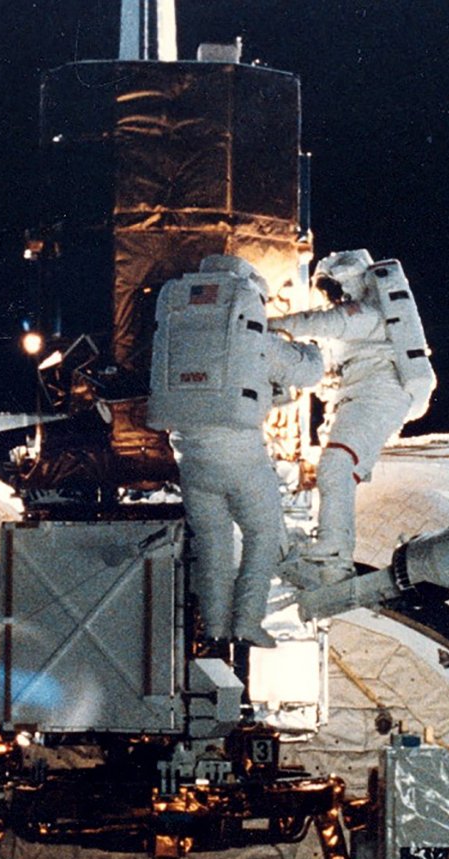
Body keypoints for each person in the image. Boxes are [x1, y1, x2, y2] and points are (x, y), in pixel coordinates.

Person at [147, 254, 322, 647]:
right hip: (241, 459)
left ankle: (214, 627)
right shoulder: (251, 336)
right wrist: (310, 346)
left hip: (191, 462)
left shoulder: (177, 326)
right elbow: (309, 372)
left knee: (214, 545)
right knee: (261, 536)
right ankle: (245, 622)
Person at [269, 250, 436, 580]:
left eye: (334, 287)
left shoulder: (366, 313)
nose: (331, 295)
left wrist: (266, 325)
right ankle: (332, 552)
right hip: (362, 395)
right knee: (336, 468)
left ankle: (333, 549)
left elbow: (319, 322)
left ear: (351, 281)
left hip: (378, 393)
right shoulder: (355, 322)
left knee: (337, 465)